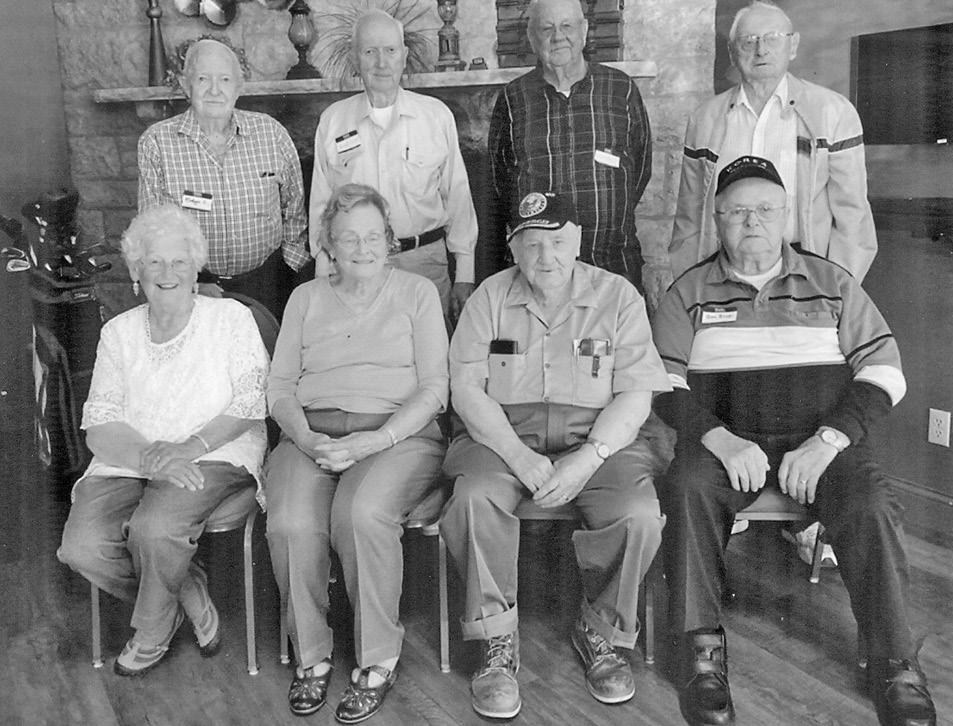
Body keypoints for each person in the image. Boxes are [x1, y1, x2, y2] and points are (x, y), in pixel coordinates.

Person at [651, 156, 937, 726]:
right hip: (726, 445)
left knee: (873, 503)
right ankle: (700, 654)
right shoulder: (687, 291)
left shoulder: (833, 282)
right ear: (717, 219)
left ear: (785, 215)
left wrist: (829, 440)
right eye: (737, 211)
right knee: (685, 487)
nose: (751, 221)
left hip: (821, 444)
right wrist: (718, 438)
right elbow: (660, 380)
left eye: (764, 209)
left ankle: (894, 661)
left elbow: (885, 370)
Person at [441, 191, 668, 719]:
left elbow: (636, 394)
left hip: (599, 437)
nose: (547, 257)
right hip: (501, 436)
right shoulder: (489, 297)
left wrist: (589, 457)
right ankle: (496, 641)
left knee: (638, 514)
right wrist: (517, 455)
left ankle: (601, 629)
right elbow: (467, 389)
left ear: (579, 242)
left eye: (558, 242)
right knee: (473, 499)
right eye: (533, 244)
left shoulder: (618, 296)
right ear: (512, 248)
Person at [57, 204, 269, 677]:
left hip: (214, 451)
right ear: (137, 271)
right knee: (81, 548)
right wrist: (153, 460)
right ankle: (186, 590)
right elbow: (101, 420)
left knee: (154, 529)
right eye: (154, 261)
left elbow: (251, 401)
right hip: (132, 457)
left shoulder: (230, 318)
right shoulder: (118, 333)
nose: (167, 273)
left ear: (196, 269)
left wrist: (187, 449)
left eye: (179, 261)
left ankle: (152, 629)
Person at [264, 184, 448, 721]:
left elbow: (435, 389)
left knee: (361, 512)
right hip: (312, 433)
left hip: (398, 435)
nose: (363, 248)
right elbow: (279, 388)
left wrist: (377, 439)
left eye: (372, 236)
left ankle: (378, 659)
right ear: (329, 245)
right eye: (348, 238)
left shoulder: (417, 293)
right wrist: (306, 438)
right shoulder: (304, 298)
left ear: (389, 240)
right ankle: (312, 655)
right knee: (291, 522)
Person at [668, 0, 876, 284]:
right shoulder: (704, 120)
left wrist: (835, 290)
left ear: (793, 45)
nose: (761, 50)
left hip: (806, 273)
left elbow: (853, 217)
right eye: (748, 40)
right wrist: (690, 286)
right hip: (723, 274)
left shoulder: (833, 112)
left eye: (772, 38)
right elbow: (689, 217)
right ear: (732, 52)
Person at [309, 9, 478, 322]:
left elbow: (457, 197)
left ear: (404, 55)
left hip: (425, 265)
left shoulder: (436, 116)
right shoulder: (333, 121)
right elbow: (321, 204)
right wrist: (322, 275)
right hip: (354, 270)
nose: (381, 62)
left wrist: (465, 274)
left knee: (429, 349)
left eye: (390, 50)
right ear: (355, 58)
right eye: (370, 52)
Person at [138, 37, 310, 320]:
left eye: (225, 79)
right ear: (185, 85)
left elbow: (294, 206)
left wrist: (292, 270)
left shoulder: (271, 133)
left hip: (268, 283)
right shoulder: (156, 143)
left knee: (270, 346)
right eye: (203, 79)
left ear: (239, 87)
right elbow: (152, 231)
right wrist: (191, 284)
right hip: (198, 288)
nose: (215, 90)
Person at [488, 0, 652, 290]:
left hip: (612, 268)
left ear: (584, 30)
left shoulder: (621, 90)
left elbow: (640, 170)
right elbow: (499, 185)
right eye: (546, 28)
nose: (558, 36)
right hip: (540, 273)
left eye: (567, 26)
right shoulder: (513, 99)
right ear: (531, 38)